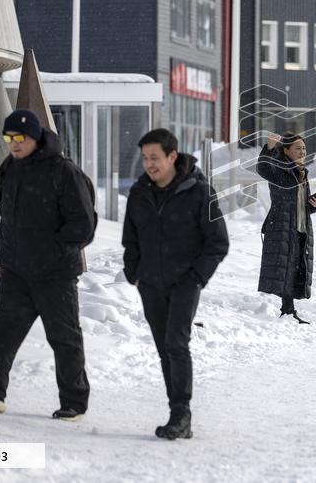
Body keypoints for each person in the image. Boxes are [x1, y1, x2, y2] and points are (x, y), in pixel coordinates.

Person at [0, 110, 97, 420]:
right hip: (18, 272)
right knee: (3, 331)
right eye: (9, 138)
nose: (14, 144)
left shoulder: (64, 172)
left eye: (20, 138)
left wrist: (53, 252)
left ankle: (74, 403)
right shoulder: (9, 169)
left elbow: (83, 224)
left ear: (35, 137)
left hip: (56, 274)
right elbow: (5, 217)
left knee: (64, 337)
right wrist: (4, 250)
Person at [122, 128, 230, 440]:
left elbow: (218, 243)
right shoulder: (139, 192)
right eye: (145, 159)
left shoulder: (199, 191)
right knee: (163, 348)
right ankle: (176, 412)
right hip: (150, 284)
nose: (149, 165)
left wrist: (196, 278)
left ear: (172, 156)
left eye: (155, 158)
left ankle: (181, 415)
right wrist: (135, 273)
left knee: (175, 344)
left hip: (185, 283)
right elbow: (131, 239)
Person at [256, 132, 316, 324]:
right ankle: (287, 311)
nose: (302, 152)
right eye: (297, 148)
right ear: (286, 151)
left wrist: (315, 205)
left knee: (295, 268)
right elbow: (262, 168)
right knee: (286, 268)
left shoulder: (301, 171)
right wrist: (268, 148)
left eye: (303, 148)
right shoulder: (279, 169)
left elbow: (304, 205)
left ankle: (289, 310)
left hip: (300, 226)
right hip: (283, 225)